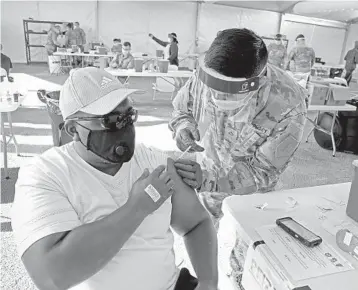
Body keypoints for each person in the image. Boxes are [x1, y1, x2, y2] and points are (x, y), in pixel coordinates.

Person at [11, 67, 218, 290]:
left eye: (129, 116)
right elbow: (52, 277)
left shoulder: (152, 161)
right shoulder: (44, 176)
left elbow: (196, 223)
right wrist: (138, 207)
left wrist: (208, 282)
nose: (124, 126)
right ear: (73, 129)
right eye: (110, 120)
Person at [168, 28, 307, 285]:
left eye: (227, 91)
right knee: (201, 248)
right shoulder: (210, 71)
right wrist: (182, 127)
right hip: (206, 180)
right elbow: (181, 108)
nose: (216, 96)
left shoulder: (288, 103)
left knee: (243, 262)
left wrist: (207, 180)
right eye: (213, 87)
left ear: (256, 83)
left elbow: (263, 172)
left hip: (250, 198)